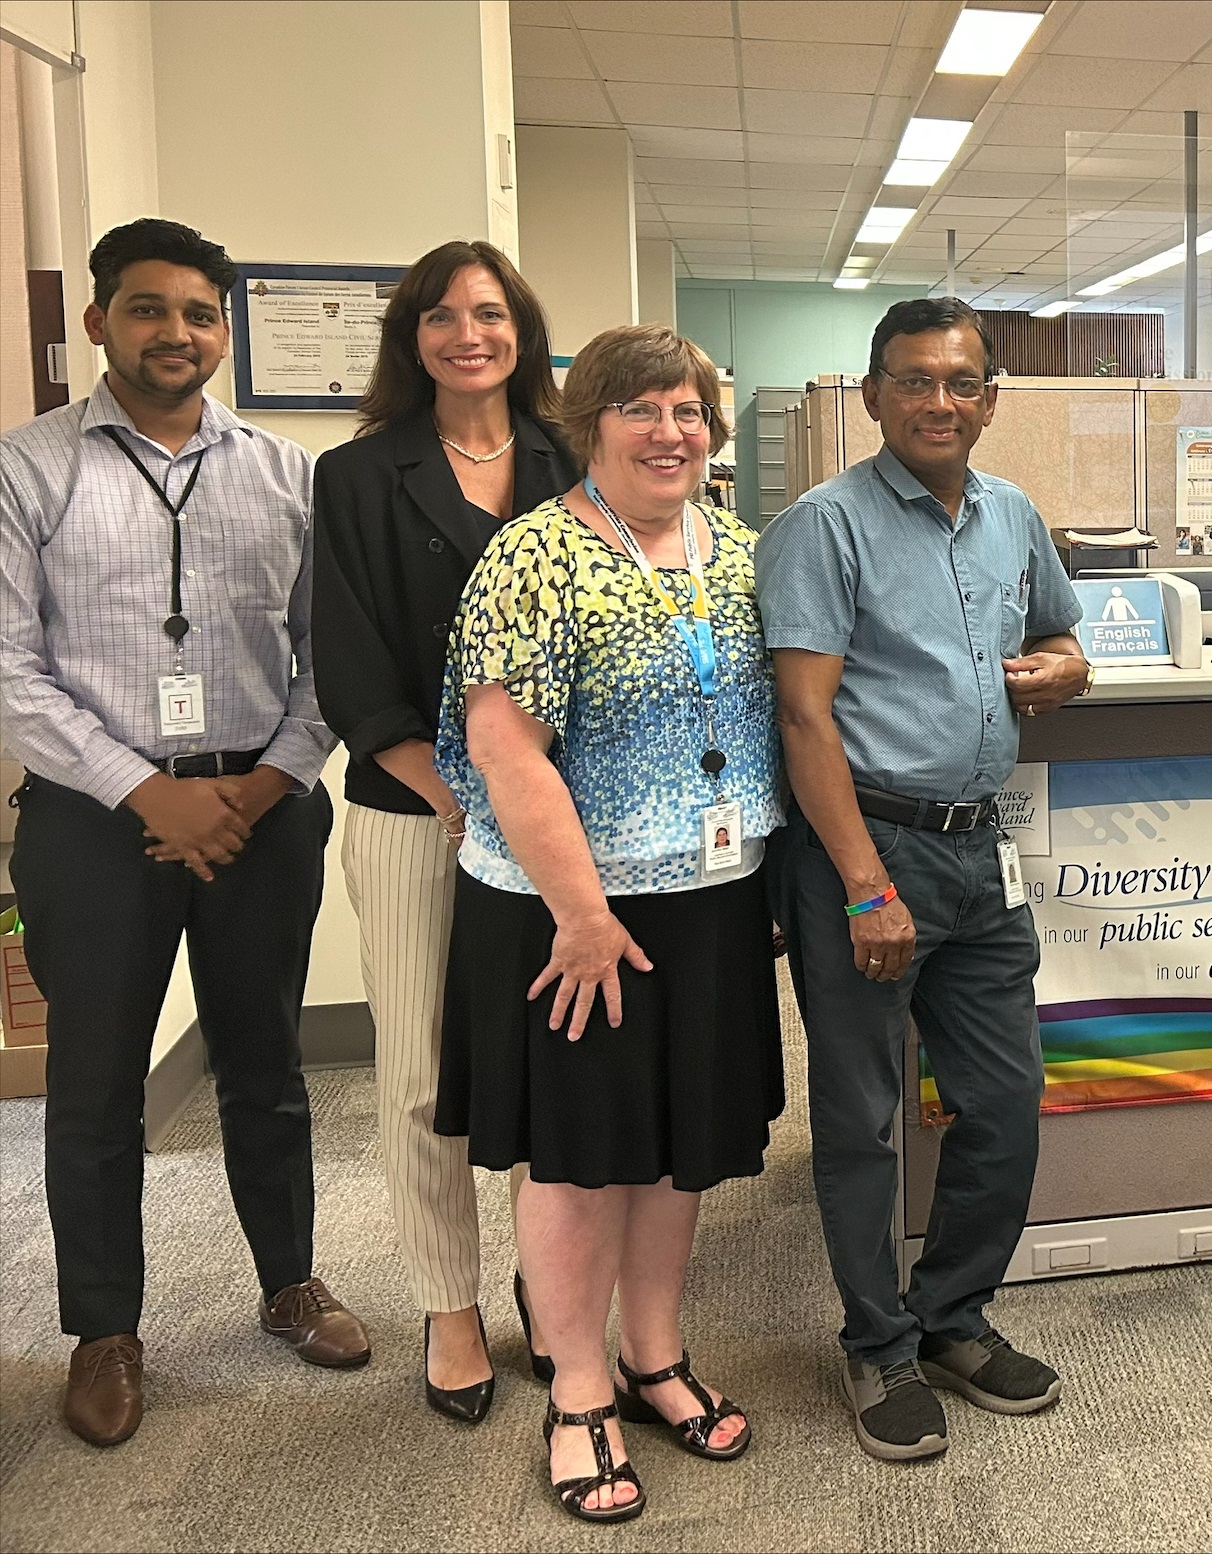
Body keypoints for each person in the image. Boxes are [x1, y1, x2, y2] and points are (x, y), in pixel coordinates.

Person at [0, 219, 369, 1448]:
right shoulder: (26, 468)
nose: (176, 333)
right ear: (99, 322)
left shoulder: (284, 471)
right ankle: (104, 1329)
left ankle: (288, 1282)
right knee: (97, 1083)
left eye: (200, 314)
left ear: (226, 329)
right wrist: (143, 791)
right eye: (149, 309)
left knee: (267, 1064)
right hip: (94, 823)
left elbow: (332, 657)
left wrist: (264, 787)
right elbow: (10, 671)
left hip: (262, 814)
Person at [435, 325, 782, 1522]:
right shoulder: (533, 555)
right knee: (582, 1158)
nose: (669, 431)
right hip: (566, 912)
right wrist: (580, 915)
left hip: (708, 904)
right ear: (590, 423)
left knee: (677, 1147)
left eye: (688, 410)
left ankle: (654, 1354)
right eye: (640, 408)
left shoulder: (734, 550)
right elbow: (502, 748)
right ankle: (577, 1387)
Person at [760, 296, 1091, 1462]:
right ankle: (877, 1344)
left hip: (978, 855)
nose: (937, 402)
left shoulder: (1012, 517)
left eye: (960, 383)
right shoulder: (822, 526)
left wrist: (1055, 670)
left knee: (1003, 1105)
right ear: (872, 394)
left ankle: (951, 1316)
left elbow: (1067, 645)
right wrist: (860, 883)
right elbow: (803, 717)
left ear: (989, 398)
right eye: (912, 381)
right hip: (867, 852)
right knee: (860, 1120)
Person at [311, 240, 578, 1424]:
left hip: (562, 819)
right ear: (409, 336)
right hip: (416, 809)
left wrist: (539, 804)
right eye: (440, 316)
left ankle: (548, 1278)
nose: (467, 334)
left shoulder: (572, 458)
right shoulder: (360, 475)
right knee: (421, 1071)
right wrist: (459, 793)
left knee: (547, 1061)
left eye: (488, 312)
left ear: (520, 327)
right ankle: (448, 1303)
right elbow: (350, 660)